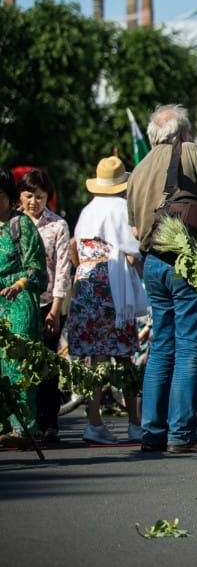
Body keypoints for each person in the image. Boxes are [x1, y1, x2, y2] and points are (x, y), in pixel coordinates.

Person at [126, 104, 197, 454]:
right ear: (182, 132)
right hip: (185, 260)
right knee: (190, 346)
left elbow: (133, 227)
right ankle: (182, 433)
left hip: (153, 263)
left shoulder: (138, 170)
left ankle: (152, 431)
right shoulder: (188, 151)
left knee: (161, 346)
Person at [68, 156, 148, 445]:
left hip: (85, 280)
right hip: (111, 285)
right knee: (124, 355)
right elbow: (134, 248)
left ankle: (94, 420)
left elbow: (74, 246)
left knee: (96, 357)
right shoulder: (121, 209)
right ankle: (134, 422)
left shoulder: (87, 210)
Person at [17, 169, 72, 443]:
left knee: (47, 365)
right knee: (19, 363)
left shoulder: (57, 225)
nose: (33, 202)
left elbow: (63, 268)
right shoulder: (11, 224)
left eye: (39, 197)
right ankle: (24, 423)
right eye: (28, 196)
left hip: (47, 302)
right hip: (16, 304)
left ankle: (49, 423)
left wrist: (56, 309)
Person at [0, 166, 48, 447]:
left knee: (19, 367)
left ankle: (24, 429)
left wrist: (18, 285)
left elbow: (37, 270)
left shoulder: (22, 225)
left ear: (7, 197)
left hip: (18, 304)